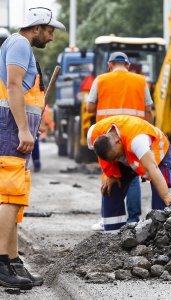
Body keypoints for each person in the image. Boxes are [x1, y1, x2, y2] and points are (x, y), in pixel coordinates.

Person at [0, 7, 65, 289]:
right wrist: (24, 129)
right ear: (36, 28)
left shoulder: (22, 47)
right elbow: (14, 87)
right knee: (10, 193)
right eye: (50, 31)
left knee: (16, 196)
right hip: (11, 129)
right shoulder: (18, 43)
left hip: (15, 128)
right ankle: (2, 262)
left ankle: (12, 260)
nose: (51, 37)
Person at [87, 52, 154, 230]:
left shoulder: (101, 80)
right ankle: (134, 219)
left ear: (110, 65)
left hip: (109, 136)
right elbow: (149, 110)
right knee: (133, 176)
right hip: (133, 134)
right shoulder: (140, 81)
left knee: (110, 173)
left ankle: (109, 218)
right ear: (128, 65)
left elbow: (89, 107)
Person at [87, 115, 171, 233]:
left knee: (160, 194)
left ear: (118, 141)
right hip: (129, 153)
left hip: (156, 153)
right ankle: (112, 236)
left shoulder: (137, 140)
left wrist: (165, 195)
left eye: (117, 156)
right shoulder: (94, 134)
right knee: (110, 188)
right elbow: (106, 159)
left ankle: (161, 234)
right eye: (113, 159)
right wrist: (111, 174)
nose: (117, 159)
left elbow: (152, 168)